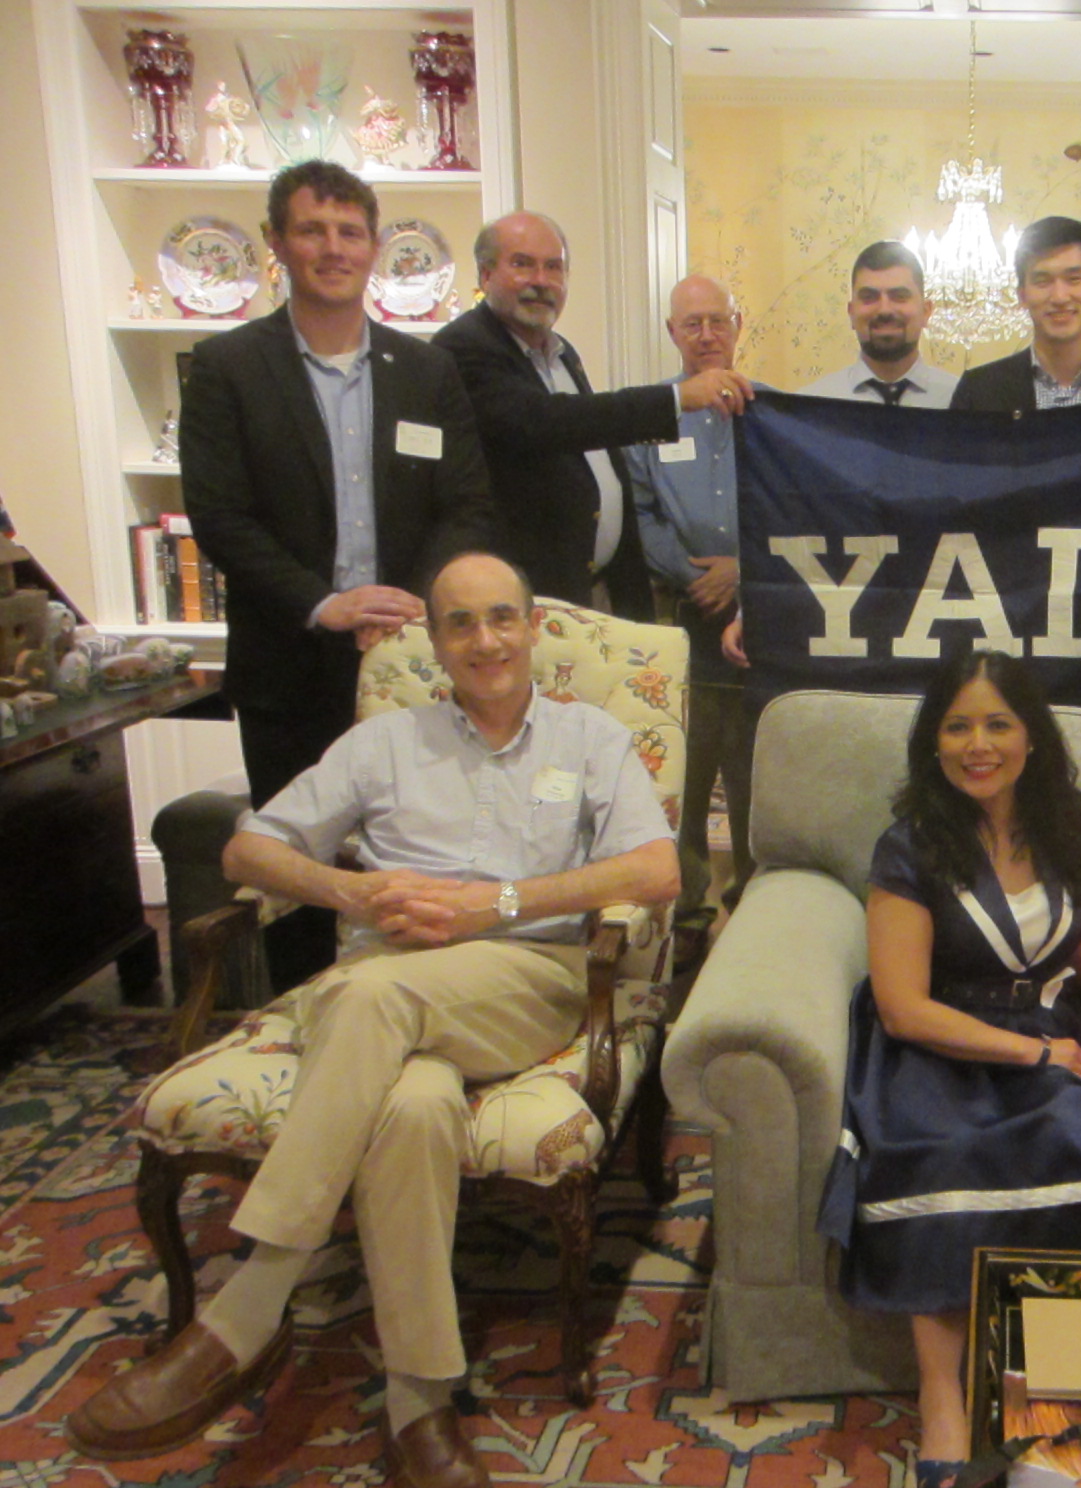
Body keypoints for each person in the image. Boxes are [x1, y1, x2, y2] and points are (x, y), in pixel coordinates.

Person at [65, 552, 679, 1488]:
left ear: (532, 629)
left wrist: (496, 905)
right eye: (462, 624)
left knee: (365, 994)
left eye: (502, 618)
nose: (486, 640)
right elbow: (250, 845)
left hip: (523, 975)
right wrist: (346, 886)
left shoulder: (588, 738)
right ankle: (420, 1403)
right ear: (434, 642)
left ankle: (246, 1306)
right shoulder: (382, 745)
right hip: (388, 985)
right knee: (415, 1107)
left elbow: (653, 872)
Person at [817, 650, 1081, 1488]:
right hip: (939, 1043)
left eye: (998, 723)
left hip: (1048, 1028)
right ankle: (943, 1401)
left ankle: (1050, 1390)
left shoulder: (1060, 828)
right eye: (957, 725)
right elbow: (902, 1008)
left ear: (1032, 738)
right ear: (933, 741)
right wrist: (1033, 1050)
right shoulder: (910, 845)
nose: (977, 743)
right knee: (943, 1152)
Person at [182, 159, 494, 982]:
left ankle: (415, 1011)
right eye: (313, 229)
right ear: (276, 242)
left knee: (425, 850)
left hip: (410, 665)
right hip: (292, 666)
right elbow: (220, 518)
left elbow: (464, 504)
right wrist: (326, 605)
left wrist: (407, 611)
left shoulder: (426, 372)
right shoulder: (226, 371)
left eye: (349, 232)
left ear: (374, 246)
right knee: (301, 872)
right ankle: (303, 1029)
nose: (332, 248)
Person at [435, 210, 751, 617]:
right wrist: (674, 399)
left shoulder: (560, 353)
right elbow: (545, 422)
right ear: (485, 275)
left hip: (595, 595)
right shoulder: (463, 349)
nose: (541, 280)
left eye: (554, 267)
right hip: (523, 601)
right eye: (522, 264)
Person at [628, 275, 760, 937]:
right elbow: (642, 515)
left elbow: (790, 511)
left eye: (717, 320)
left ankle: (751, 908)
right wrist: (692, 575)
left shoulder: (770, 415)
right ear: (672, 334)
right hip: (680, 621)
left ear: (737, 325)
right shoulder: (652, 420)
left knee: (752, 775)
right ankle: (687, 913)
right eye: (691, 324)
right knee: (682, 772)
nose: (706, 335)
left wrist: (744, 572)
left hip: (759, 622)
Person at [948, 216, 1081, 413]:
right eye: (1042, 281)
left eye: (1073, 279)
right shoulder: (978, 392)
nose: (1059, 297)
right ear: (1022, 296)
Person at [801, 240, 959, 407]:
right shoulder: (809, 407)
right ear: (851, 312)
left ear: (926, 311)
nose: (885, 310)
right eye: (869, 297)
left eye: (899, 296)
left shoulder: (962, 403)